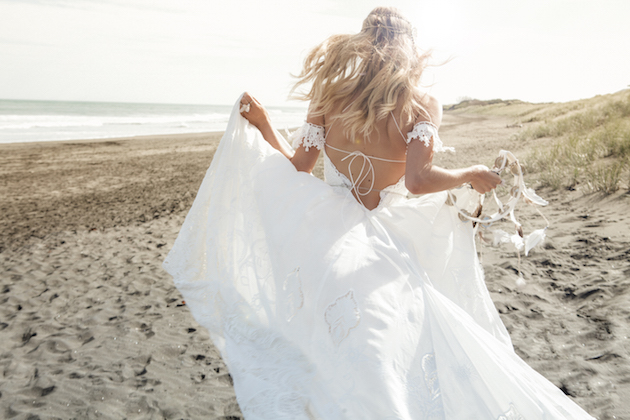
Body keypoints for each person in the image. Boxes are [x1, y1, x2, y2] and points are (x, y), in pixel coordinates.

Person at [164, 7, 595, 419]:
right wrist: (470, 173)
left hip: (328, 236)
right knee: (399, 340)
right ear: (408, 46)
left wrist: (262, 124)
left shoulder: (329, 97)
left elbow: (297, 169)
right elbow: (418, 182)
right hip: (388, 240)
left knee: (335, 347)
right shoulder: (421, 104)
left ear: (363, 42)